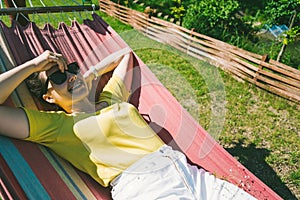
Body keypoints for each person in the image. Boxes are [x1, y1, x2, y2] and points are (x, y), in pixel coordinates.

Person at [0, 49, 256, 200]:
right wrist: (33, 65)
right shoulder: (55, 126)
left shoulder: (110, 98)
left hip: (191, 174)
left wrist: (90, 74)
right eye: (56, 76)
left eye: (71, 69)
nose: (68, 75)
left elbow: (125, 55)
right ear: (48, 97)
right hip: (146, 188)